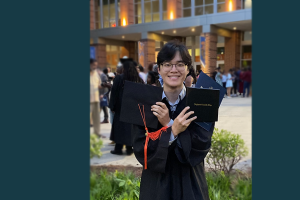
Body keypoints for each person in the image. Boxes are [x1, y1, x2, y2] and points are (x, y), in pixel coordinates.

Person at [132, 40, 214, 200]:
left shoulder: (203, 101)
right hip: (156, 186)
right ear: (159, 69)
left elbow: (202, 145)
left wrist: (168, 124)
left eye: (180, 64)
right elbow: (142, 150)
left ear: (188, 69)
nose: (173, 70)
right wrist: (173, 129)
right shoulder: (145, 103)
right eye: (167, 64)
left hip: (190, 183)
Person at [109, 58, 144, 155]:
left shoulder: (119, 78)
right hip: (133, 108)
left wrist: (112, 106)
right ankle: (129, 149)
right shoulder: (138, 79)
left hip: (121, 107)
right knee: (130, 129)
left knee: (119, 128)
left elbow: (114, 93)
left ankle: (118, 149)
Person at [90, 58, 104, 138]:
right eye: (93, 65)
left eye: (96, 65)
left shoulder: (96, 73)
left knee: (96, 118)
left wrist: (103, 85)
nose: (95, 66)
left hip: (95, 99)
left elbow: (98, 85)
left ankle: (97, 133)